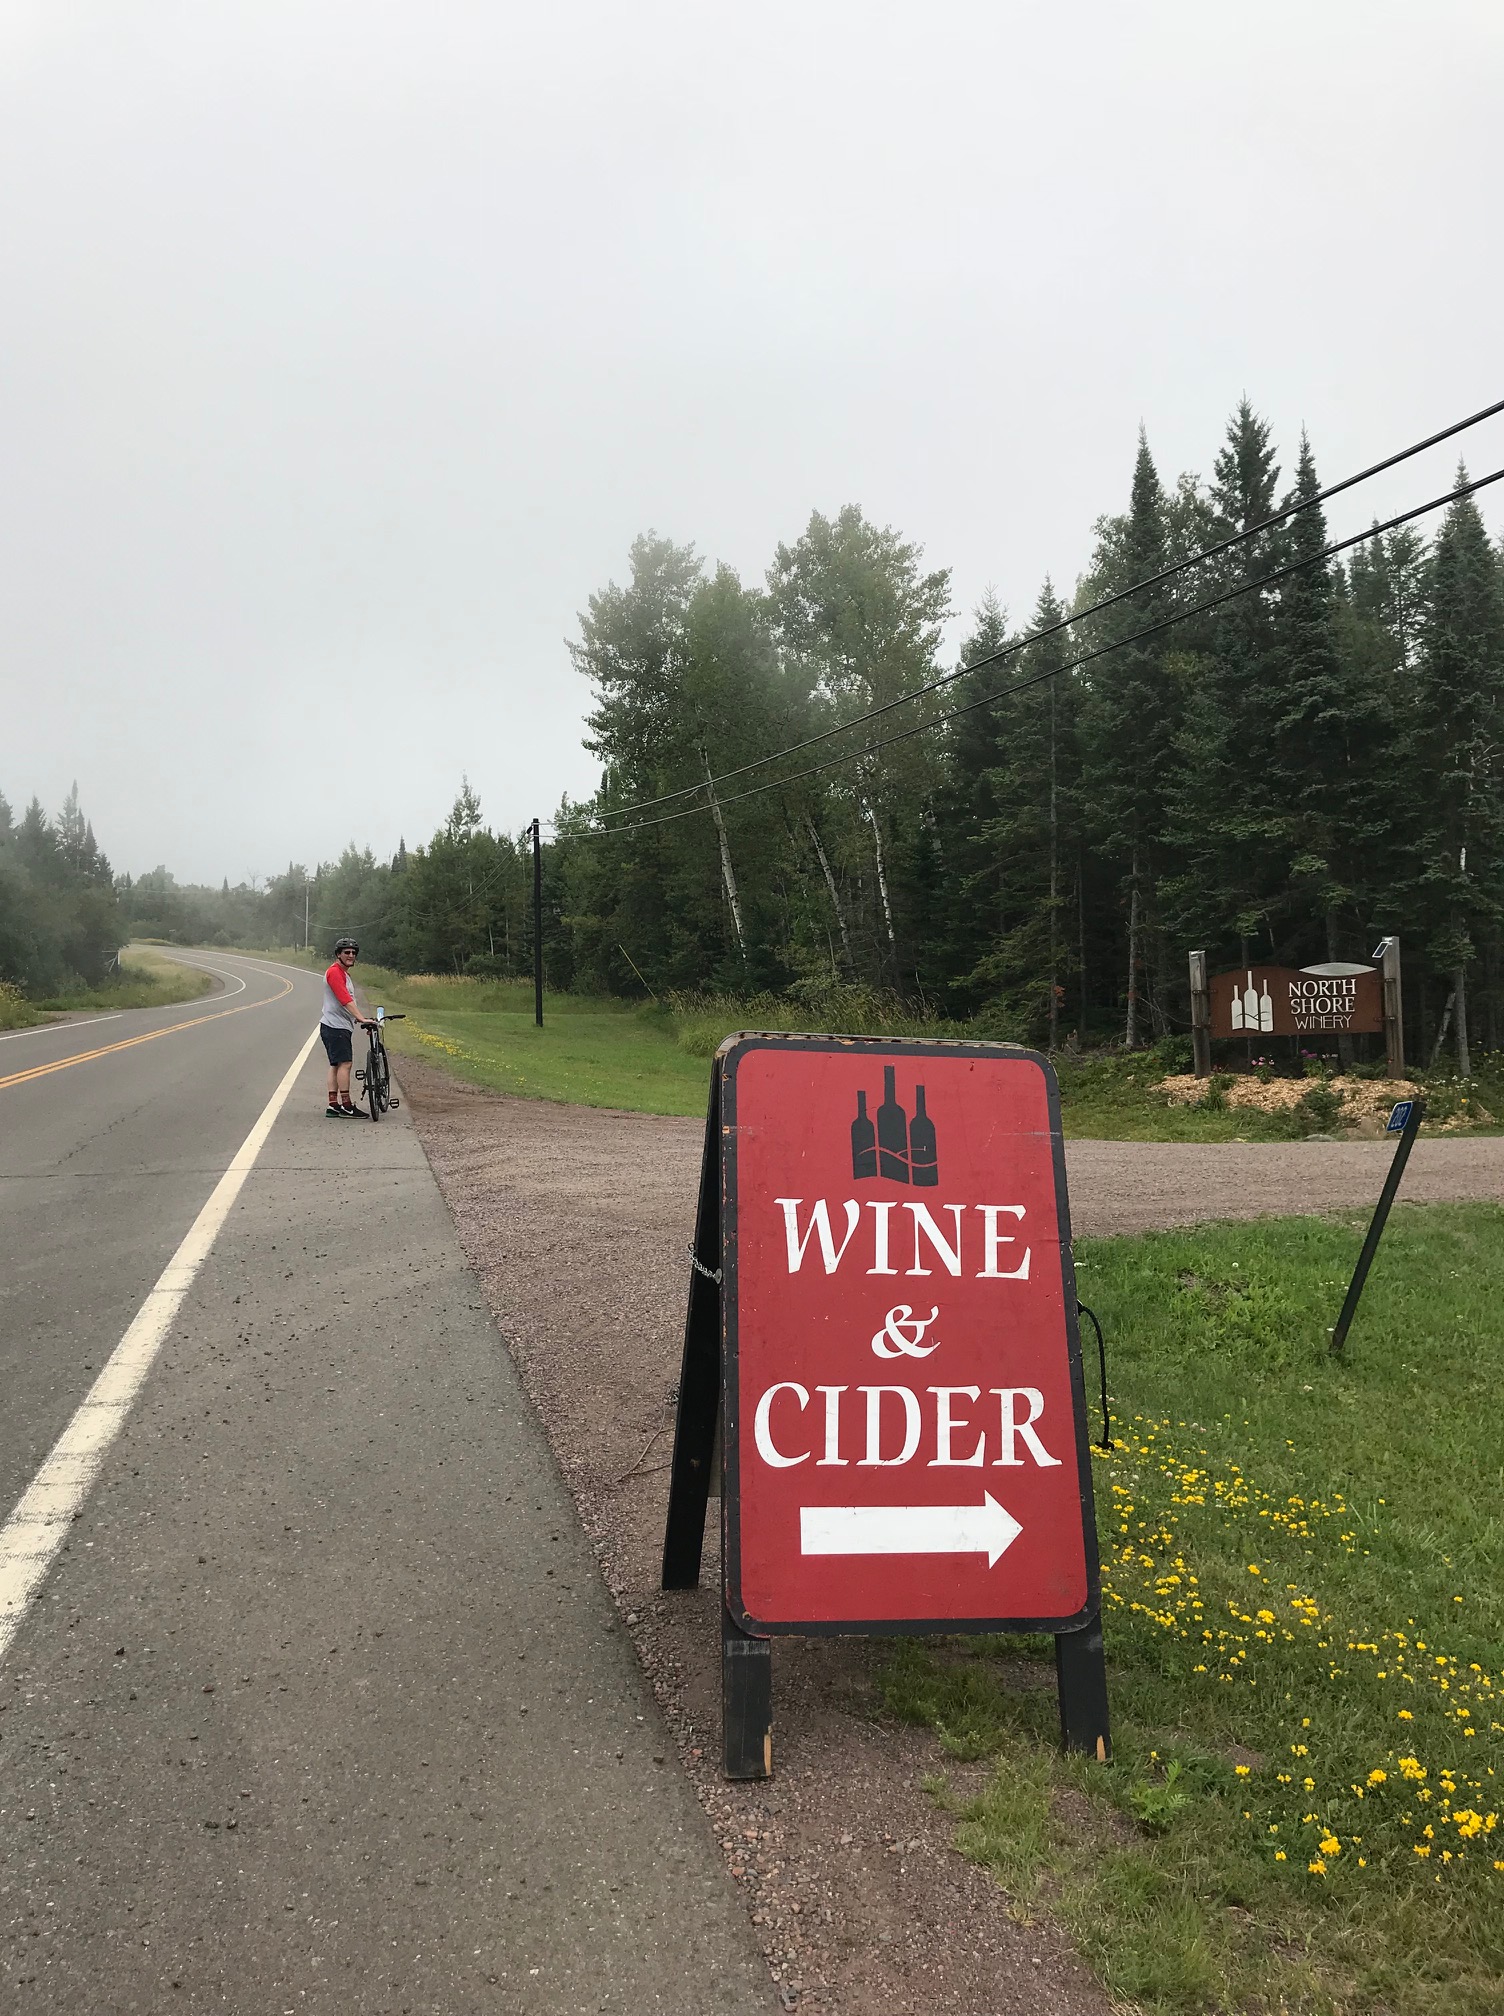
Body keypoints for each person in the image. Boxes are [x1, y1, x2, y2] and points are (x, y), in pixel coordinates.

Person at [320, 937, 374, 1116]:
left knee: (336, 1064)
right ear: (338, 954)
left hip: (334, 1025)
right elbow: (345, 1000)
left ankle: (333, 1105)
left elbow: (346, 1003)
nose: (351, 955)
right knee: (345, 1063)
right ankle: (346, 1106)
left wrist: (358, 1019)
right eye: (347, 952)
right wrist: (361, 1018)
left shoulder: (343, 974)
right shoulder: (335, 972)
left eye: (353, 953)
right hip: (335, 1027)